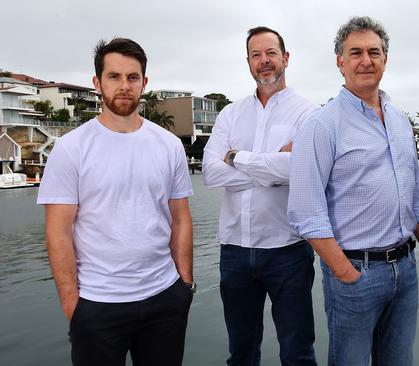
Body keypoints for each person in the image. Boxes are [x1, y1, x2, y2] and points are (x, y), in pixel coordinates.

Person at [288, 16, 419, 365]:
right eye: (355, 52)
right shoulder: (321, 125)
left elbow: (413, 197)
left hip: (404, 268)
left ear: (386, 59)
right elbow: (305, 213)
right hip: (356, 273)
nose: (366, 60)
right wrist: (346, 273)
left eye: (374, 51)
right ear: (340, 61)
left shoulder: (401, 121)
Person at [37, 38, 194, 366]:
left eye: (132, 77)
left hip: (164, 299)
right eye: (114, 76)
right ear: (97, 83)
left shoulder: (168, 145)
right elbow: (58, 233)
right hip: (98, 304)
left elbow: (180, 218)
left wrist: (185, 285)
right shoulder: (72, 149)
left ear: (144, 83)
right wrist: (72, 305)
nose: (124, 86)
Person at [202, 26, 319, 366]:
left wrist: (238, 157)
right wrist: (272, 168)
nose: (264, 61)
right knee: (241, 353)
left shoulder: (308, 114)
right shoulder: (230, 114)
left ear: (286, 58)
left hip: (288, 252)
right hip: (235, 253)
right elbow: (210, 173)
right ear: (249, 62)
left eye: (270, 53)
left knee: (297, 352)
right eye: (256, 55)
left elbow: (299, 170)